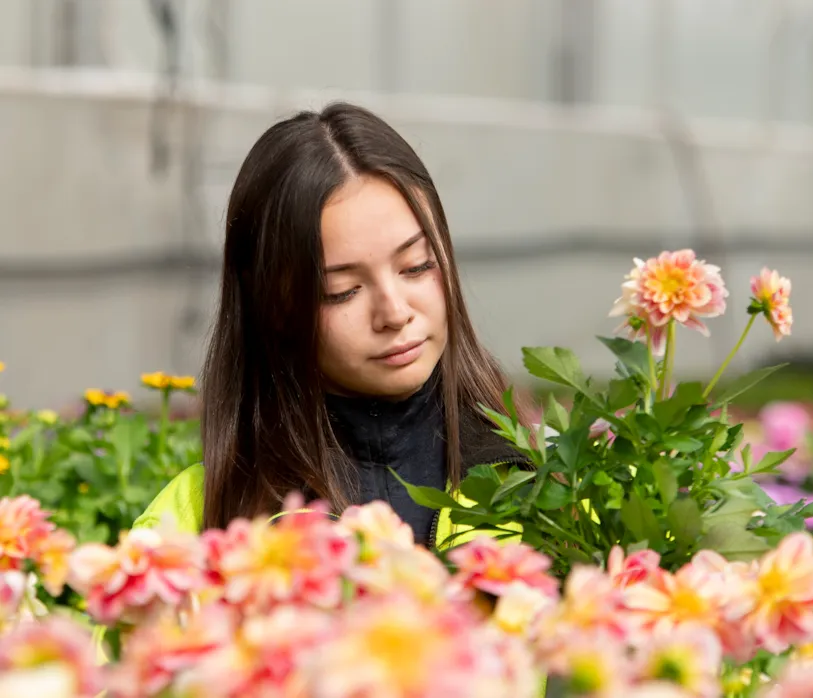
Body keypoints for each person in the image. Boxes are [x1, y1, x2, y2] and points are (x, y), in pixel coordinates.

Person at [134, 101, 530, 550]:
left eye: (417, 266)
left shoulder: (549, 492)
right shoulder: (189, 532)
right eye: (342, 291)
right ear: (274, 306)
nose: (394, 312)